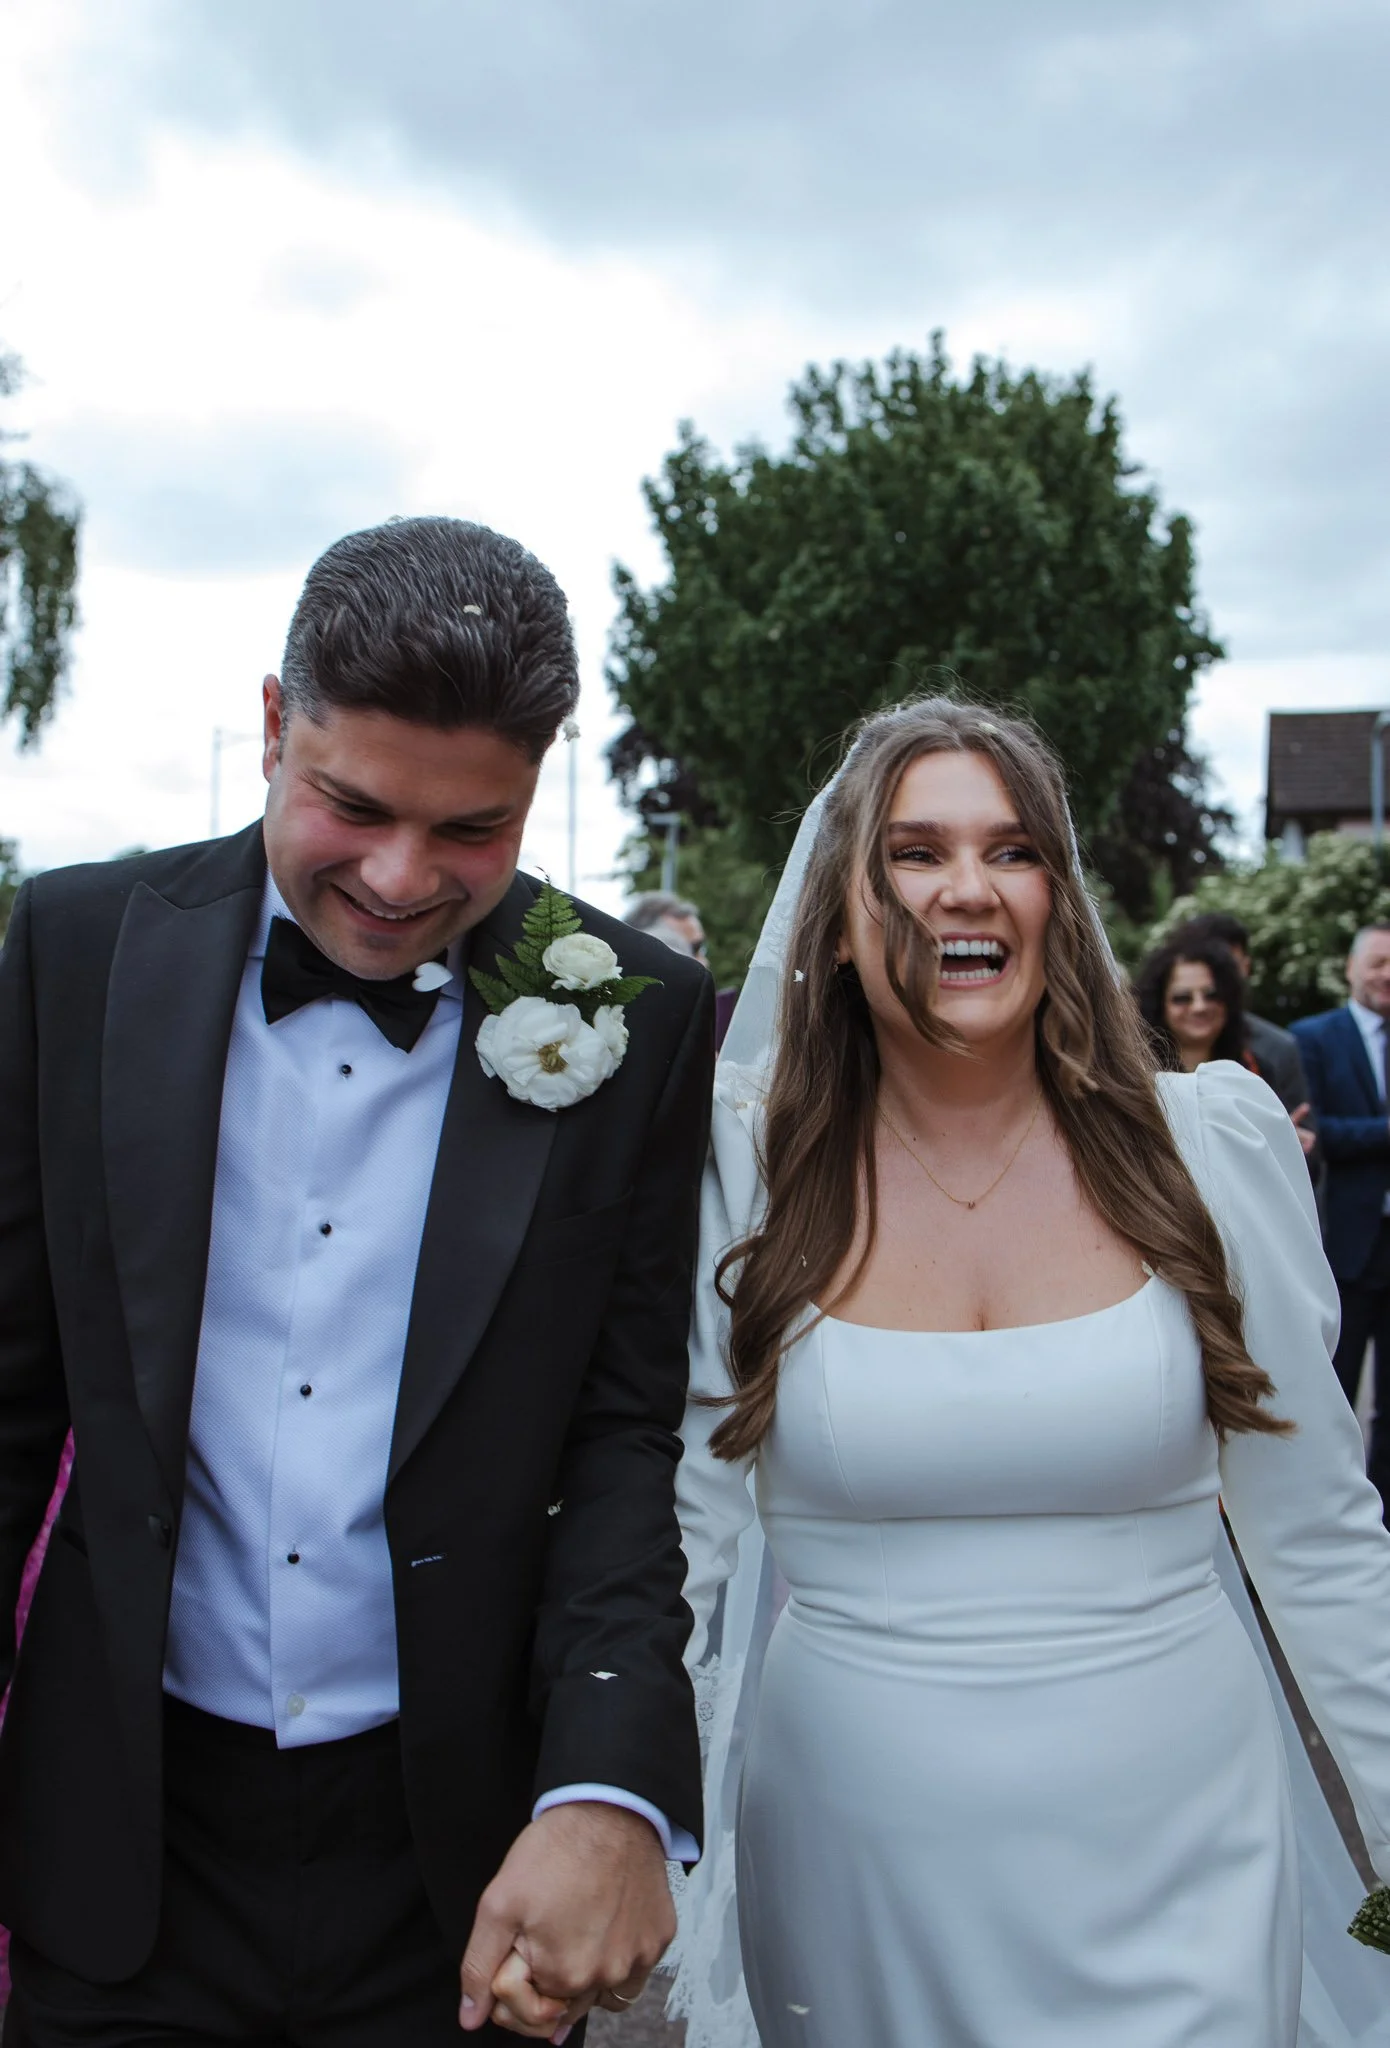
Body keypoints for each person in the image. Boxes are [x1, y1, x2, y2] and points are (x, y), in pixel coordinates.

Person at [0, 517, 714, 2047]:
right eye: (351, 805)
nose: (399, 881)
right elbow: (12, 1399)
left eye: (474, 832)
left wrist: (610, 1784)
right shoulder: (74, 949)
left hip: (457, 1871)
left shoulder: (637, 1019)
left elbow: (620, 1434)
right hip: (122, 1834)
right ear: (273, 724)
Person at [672, 698, 1390, 2048]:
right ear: (837, 910)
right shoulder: (747, 1173)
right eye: (912, 851)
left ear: (1059, 900)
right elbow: (682, 1542)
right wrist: (623, 1824)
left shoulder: (1200, 1149)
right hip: (854, 1866)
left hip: (1182, 1848)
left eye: (1013, 852)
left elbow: (1319, 1534)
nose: (967, 888)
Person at [1291, 924, 1390, 1509]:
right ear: (1350, 969)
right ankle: (1328, 1510)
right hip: (1345, 1247)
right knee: (1332, 1395)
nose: (1386, 974)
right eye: (1377, 962)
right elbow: (1311, 1130)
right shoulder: (1314, 1038)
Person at [624, 892, 708, 962]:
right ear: (668, 916)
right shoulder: (669, 944)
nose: (703, 960)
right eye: (696, 947)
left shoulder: (634, 947)